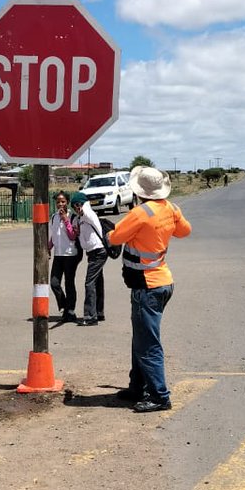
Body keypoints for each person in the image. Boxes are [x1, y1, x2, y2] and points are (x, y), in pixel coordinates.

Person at [108, 165, 192, 412]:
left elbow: (114, 238)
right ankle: (138, 387)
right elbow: (185, 231)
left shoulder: (139, 213)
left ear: (139, 191)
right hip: (163, 282)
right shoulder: (172, 208)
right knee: (142, 338)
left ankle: (159, 395)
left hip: (147, 285)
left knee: (148, 344)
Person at [69, 190, 107, 326]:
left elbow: (86, 210)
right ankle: (99, 312)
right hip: (93, 252)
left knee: (89, 282)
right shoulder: (82, 219)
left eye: (78, 206)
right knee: (97, 282)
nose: (76, 209)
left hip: (98, 251)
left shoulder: (88, 214)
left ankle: (91, 316)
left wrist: (83, 207)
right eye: (74, 207)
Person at [48, 191, 80, 323]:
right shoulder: (54, 217)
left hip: (70, 254)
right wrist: (48, 248)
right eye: (58, 202)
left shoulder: (73, 217)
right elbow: (53, 235)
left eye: (63, 201)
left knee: (69, 283)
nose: (60, 204)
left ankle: (70, 311)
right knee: (54, 283)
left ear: (67, 202)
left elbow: (72, 236)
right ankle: (64, 306)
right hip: (58, 255)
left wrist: (66, 220)